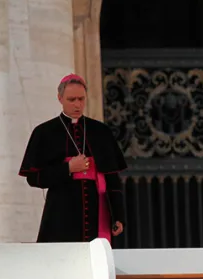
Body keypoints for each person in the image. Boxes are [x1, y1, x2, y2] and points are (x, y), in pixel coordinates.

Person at [19, 74, 127, 243]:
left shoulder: (101, 131)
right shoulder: (45, 132)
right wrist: (68, 168)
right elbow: (34, 179)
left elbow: (112, 178)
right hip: (61, 214)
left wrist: (118, 215)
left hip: (97, 211)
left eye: (81, 99)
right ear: (60, 98)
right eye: (71, 99)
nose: (77, 104)